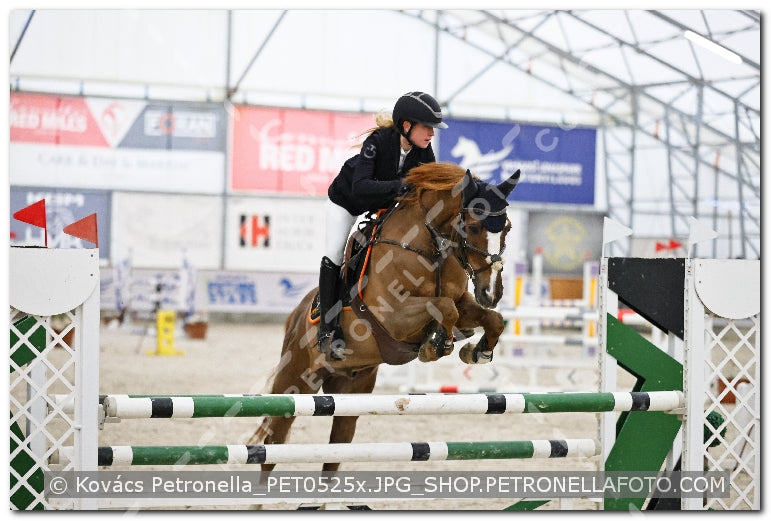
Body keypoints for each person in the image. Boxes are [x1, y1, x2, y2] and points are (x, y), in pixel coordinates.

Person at [318, 91, 448, 360]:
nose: (431, 134)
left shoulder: (424, 151)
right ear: (406, 125)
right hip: (348, 201)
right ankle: (328, 330)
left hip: (385, 205)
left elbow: (430, 189)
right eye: (427, 127)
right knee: (334, 253)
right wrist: (401, 186)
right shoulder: (376, 143)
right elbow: (362, 186)